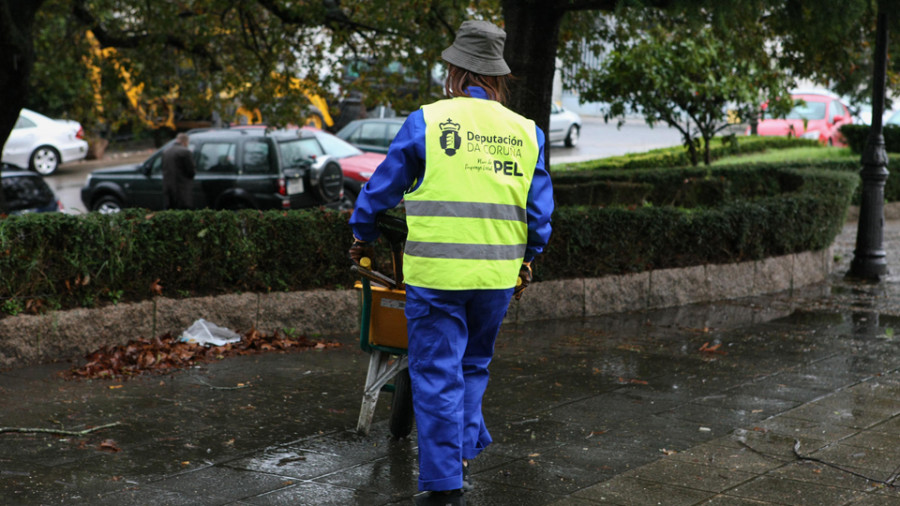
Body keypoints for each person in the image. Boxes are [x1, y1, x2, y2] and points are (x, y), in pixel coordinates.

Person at [348, 20, 554, 506]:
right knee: (473, 365)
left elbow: (382, 187)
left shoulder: (429, 120)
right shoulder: (526, 131)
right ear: (497, 76)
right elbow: (539, 216)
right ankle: (460, 451)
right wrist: (529, 259)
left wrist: (363, 232)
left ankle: (443, 487)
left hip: (438, 276)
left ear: (456, 71)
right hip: (496, 278)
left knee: (437, 374)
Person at [161, 132, 196, 209]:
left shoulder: (166, 151)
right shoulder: (185, 152)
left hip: (168, 189)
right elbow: (191, 171)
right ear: (185, 142)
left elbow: (162, 167)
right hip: (182, 190)